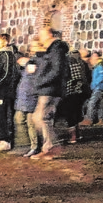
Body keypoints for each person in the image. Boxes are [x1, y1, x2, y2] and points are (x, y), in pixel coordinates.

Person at [29, 26, 69, 160]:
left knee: (41, 118)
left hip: (51, 89)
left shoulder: (57, 50)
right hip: (48, 89)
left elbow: (56, 71)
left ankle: (51, 146)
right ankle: (49, 147)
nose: (40, 37)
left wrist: (40, 82)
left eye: (42, 34)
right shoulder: (52, 50)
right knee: (40, 118)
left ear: (50, 35)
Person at [12, 46, 40, 157]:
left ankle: (34, 146)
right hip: (23, 98)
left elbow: (32, 80)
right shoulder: (26, 66)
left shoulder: (34, 63)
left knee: (31, 123)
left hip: (31, 98)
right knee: (19, 120)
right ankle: (24, 145)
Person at [61, 45, 89, 143]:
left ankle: (73, 137)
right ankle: (77, 135)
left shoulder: (69, 62)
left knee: (71, 115)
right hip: (79, 92)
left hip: (71, 92)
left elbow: (73, 78)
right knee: (76, 114)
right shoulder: (80, 63)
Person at [81, 52, 103, 127]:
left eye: (94, 56)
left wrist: (94, 84)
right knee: (98, 105)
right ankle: (101, 120)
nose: (92, 58)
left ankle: (89, 119)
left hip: (98, 87)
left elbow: (101, 77)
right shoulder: (96, 66)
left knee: (91, 103)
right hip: (98, 87)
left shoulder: (99, 66)